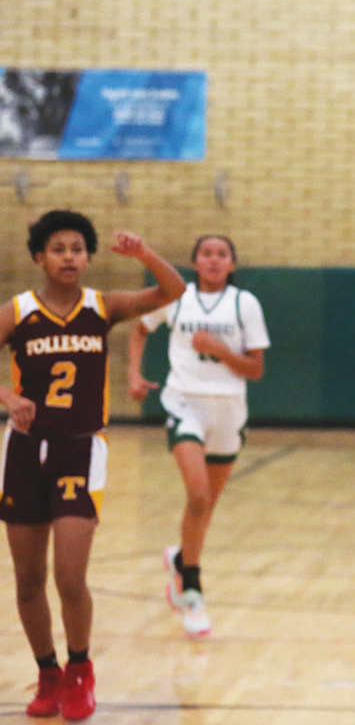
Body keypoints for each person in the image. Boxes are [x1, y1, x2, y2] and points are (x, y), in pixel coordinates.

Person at [0, 210, 185, 721]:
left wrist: (145, 254)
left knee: (69, 575)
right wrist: (5, 395)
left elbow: (173, 292)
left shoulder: (101, 306)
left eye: (78, 248)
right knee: (28, 579)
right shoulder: (17, 311)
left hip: (80, 449)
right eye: (58, 248)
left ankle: (80, 670)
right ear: (39, 257)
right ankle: (47, 673)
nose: (69, 257)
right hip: (22, 451)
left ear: (88, 256)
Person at [127, 234, 269, 639]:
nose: (213, 259)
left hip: (228, 410)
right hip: (184, 403)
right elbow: (139, 329)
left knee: (205, 509)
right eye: (205, 253)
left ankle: (180, 559)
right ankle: (192, 590)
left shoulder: (245, 304)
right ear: (193, 261)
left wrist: (220, 350)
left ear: (232, 264)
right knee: (198, 496)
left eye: (221, 253)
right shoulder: (177, 296)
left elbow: (256, 369)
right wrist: (134, 375)